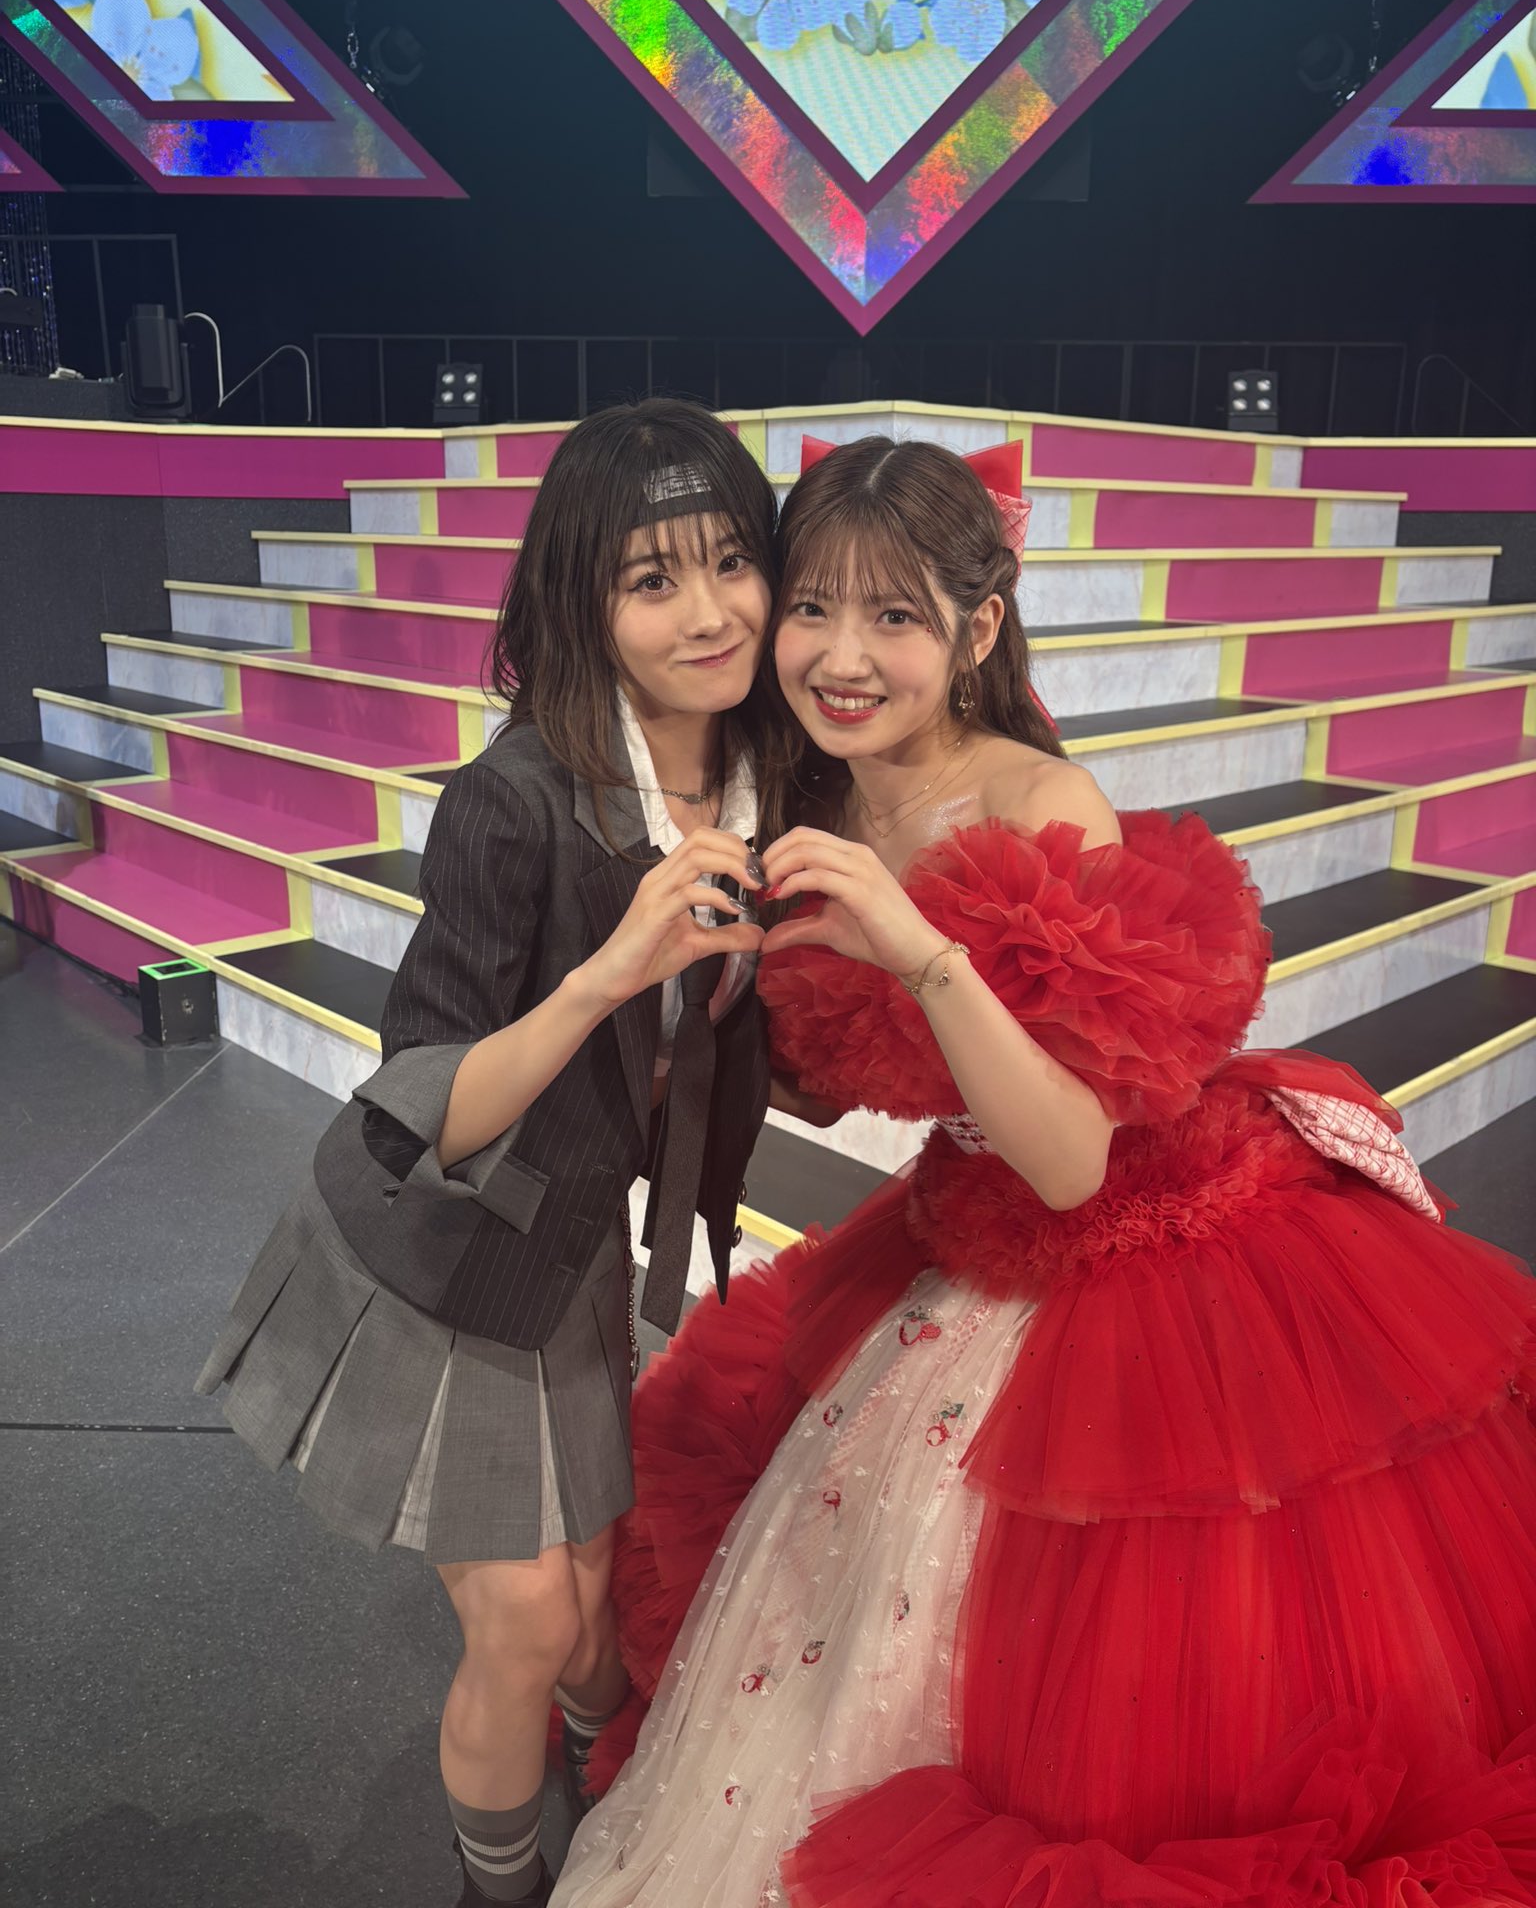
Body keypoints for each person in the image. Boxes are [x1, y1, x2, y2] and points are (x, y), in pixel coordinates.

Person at [553, 436, 1536, 1907]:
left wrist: (917, 949)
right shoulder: (808, 797)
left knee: (1145, 1678)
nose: (840, 656)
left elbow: (1074, 1160)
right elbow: (848, 1070)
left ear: (979, 631)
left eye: (895, 616)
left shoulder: (1042, 808)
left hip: (1146, 1242)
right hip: (967, 1228)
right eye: (813, 606)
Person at [195, 397, 791, 1907]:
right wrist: (606, 972)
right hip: (441, 1254)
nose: (709, 613)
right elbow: (417, 1104)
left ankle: (603, 1789)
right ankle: (501, 1889)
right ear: (584, 604)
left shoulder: (764, 781)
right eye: (653, 580)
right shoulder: (514, 801)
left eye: (732, 562)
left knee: (590, 1617)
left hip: (572, 1247)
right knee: (527, 1624)